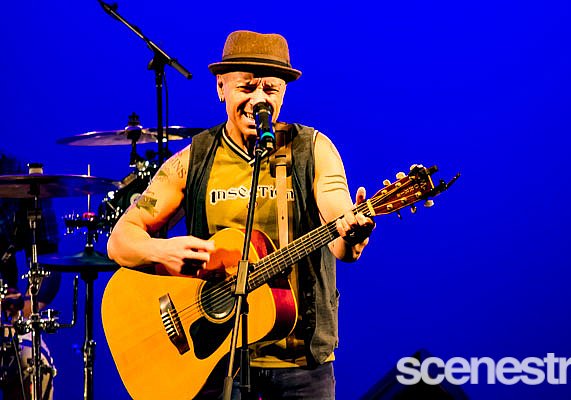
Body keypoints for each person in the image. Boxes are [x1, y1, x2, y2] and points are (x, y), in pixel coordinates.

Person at [107, 30, 374, 399]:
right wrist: (161, 250)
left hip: (300, 367)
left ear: (283, 92)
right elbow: (120, 241)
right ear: (221, 87)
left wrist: (352, 232)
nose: (259, 100)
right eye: (247, 87)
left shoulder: (312, 150)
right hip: (215, 362)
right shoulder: (194, 159)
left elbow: (339, 224)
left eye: (271, 89)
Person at [0, 154, 61, 400]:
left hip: (4, 319)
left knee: (34, 364)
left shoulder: (16, 173)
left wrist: (23, 310)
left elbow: (49, 263)